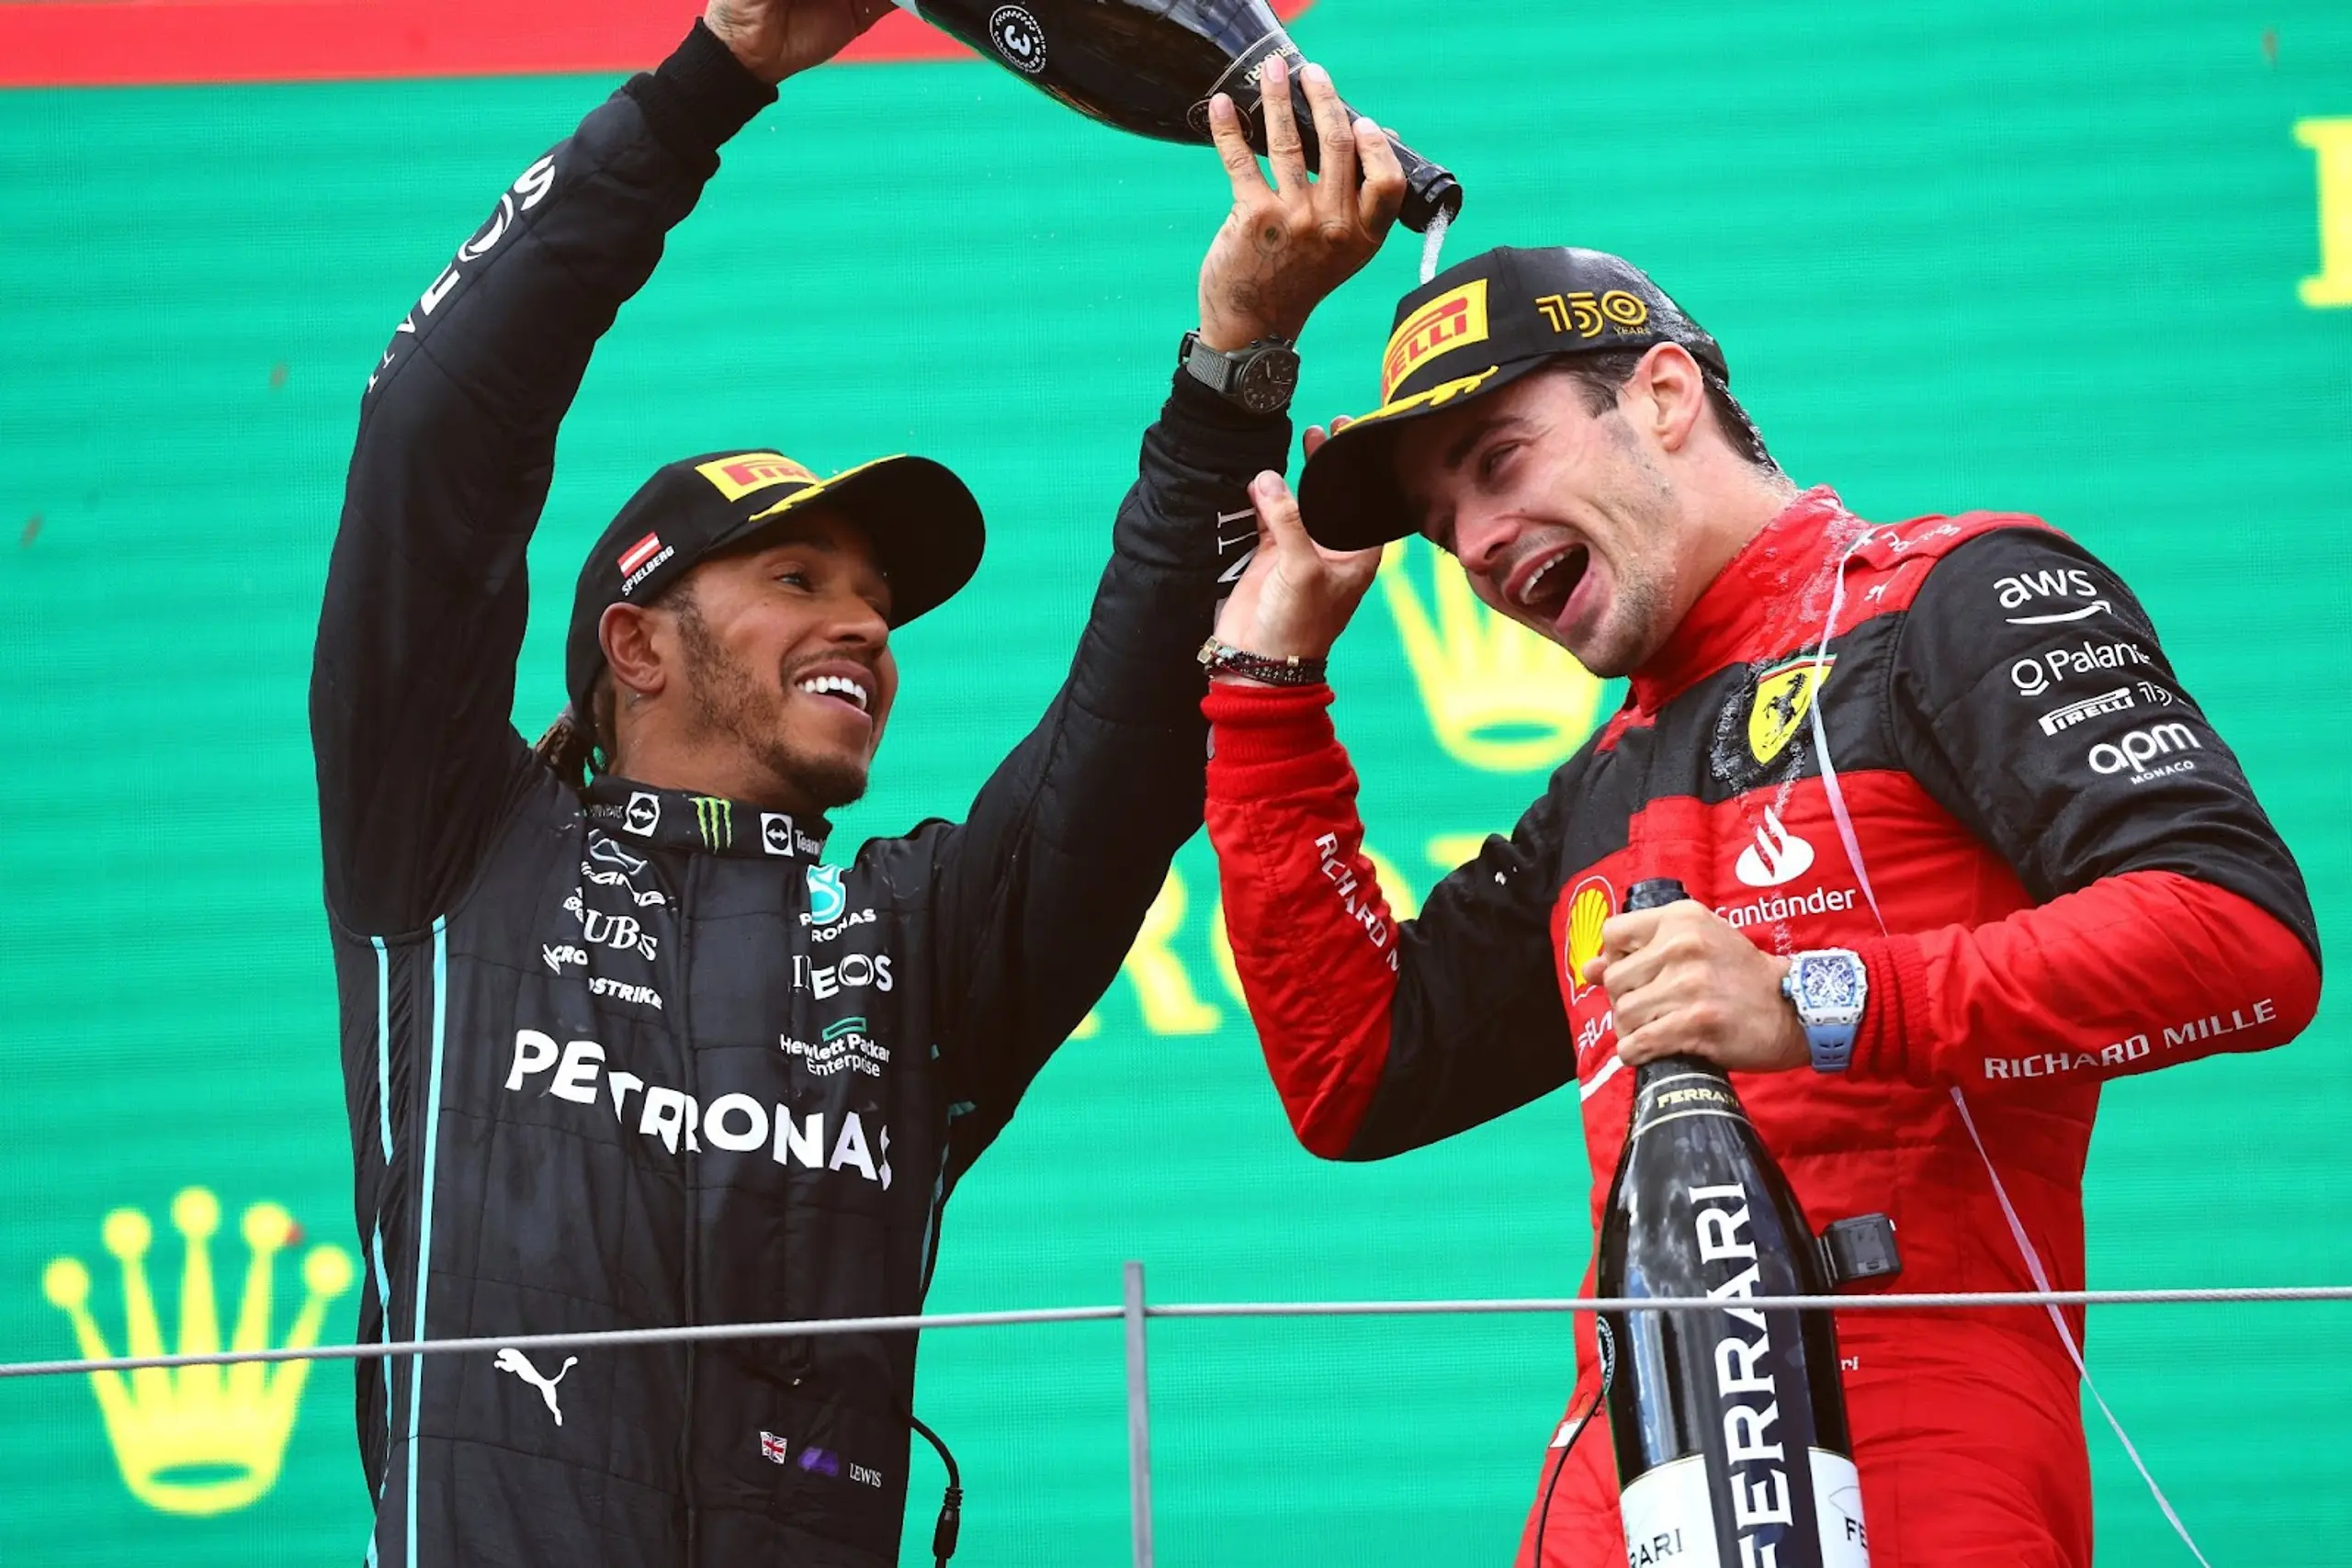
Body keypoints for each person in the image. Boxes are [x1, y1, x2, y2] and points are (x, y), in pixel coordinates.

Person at [308, 0, 1406, 1556]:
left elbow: (1129, 743)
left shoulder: (911, 947)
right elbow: (434, 431)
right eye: (801, 577)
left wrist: (1239, 362)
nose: (864, 627)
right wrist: (718, 74)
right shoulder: (448, 850)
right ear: (635, 642)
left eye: (880, 606)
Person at [1195, 243, 2321, 1564]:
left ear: (1665, 395)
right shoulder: (1606, 778)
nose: (1481, 546)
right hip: (1610, 1502)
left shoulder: (1950, 601)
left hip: (1922, 1487)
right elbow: (1356, 1070)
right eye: (1445, 528)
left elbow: (2241, 938)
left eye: (1501, 460)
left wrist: (1815, 998)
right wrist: (1266, 689)